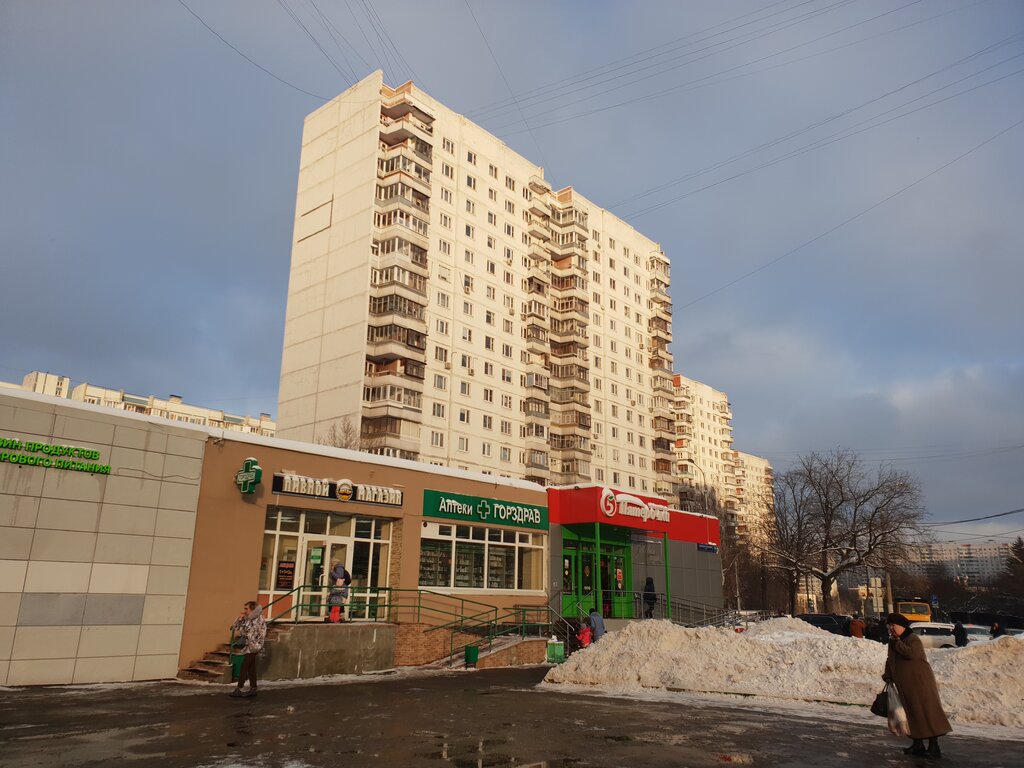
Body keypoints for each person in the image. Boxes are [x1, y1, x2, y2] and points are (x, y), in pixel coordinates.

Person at [883, 613, 951, 758]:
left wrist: (897, 643)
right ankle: (917, 744)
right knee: (911, 714)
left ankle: (934, 747)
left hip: (920, 684)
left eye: (893, 626)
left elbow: (912, 654)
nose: (891, 629)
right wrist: (888, 674)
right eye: (889, 627)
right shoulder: (893, 641)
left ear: (901, 626)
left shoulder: (912, 639)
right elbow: (890, 659)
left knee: (927, 713)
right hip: (905, 685)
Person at [230, 601, 267, 699]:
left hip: (254, 647)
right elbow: (234, 627)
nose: (244, 610)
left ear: (252, 609)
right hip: (247, 646)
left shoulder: (260, 619)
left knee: (244, 665)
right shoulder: (247, 619)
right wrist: (240, 618)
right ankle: (253, 689)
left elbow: (262, 634)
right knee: (251, 667)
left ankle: (239, 688)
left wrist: (256, 645)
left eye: (246, 609)